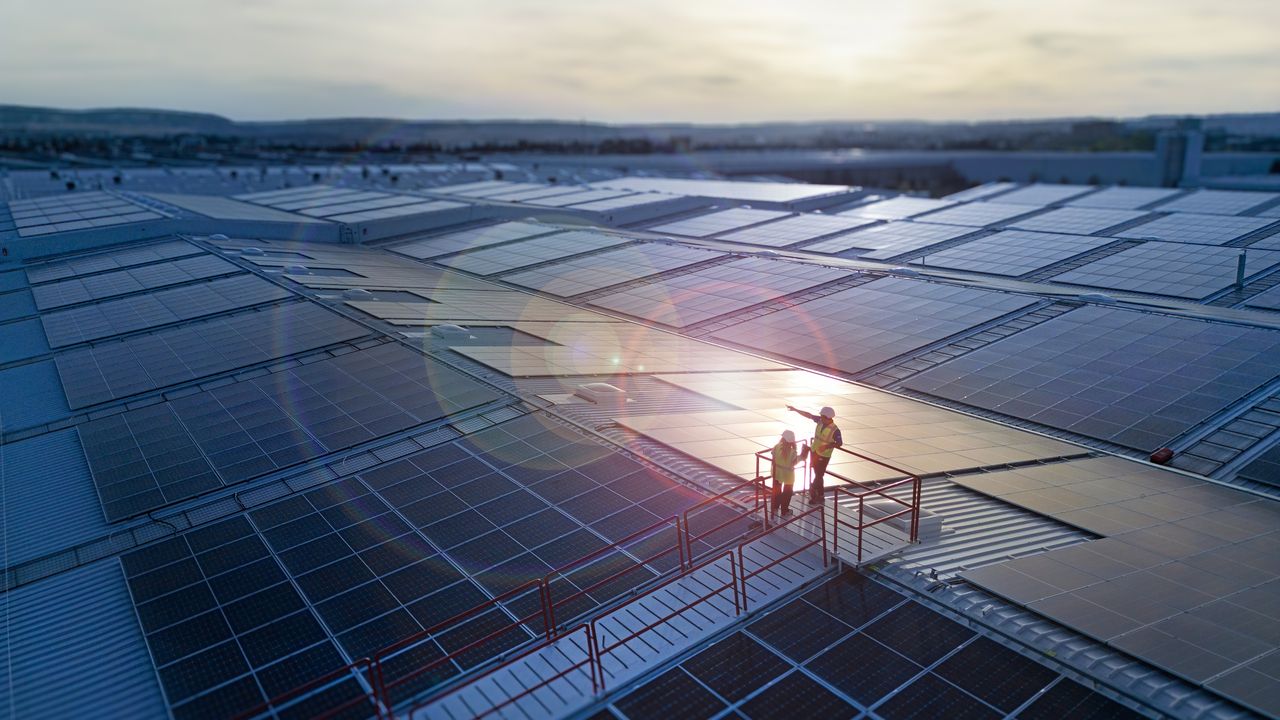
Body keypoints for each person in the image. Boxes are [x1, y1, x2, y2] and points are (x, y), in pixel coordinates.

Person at [786, 405, 842, 504]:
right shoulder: (820, 421)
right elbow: (809, 415)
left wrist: (826, 446)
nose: (820, 417)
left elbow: (839, 443)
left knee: (819, 475)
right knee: (818, 475)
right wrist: (795, 409)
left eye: (822, 416)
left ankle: (813, 493)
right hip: (814, 452)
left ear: (827, 417)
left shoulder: (835, 430)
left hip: (824, 456)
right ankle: (820, 495)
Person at [769, 430, 807, 517]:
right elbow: (793, 463)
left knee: (776, 490)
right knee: (787, 493)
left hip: (776, 473)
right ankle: (784, 511)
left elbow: (773, 459)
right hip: (788, 476)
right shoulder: (792, 452)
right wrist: (802, 456)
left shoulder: (776, 447)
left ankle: (775, 507)